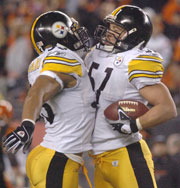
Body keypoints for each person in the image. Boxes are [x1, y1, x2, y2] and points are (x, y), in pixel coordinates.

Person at [84, 5, 177, 188]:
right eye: (110, 27)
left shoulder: (134, 61)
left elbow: (167, 108)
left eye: (117, 30)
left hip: (124, 152)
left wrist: (135, 125)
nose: (110, 33)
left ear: (134, 35)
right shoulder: (95, 53)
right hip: (97, 156)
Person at [3, 11, 96, 188]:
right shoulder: (63, 56)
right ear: (58, 32)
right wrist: (27, 125)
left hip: (49, 155)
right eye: (71, 28)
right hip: (59, 158)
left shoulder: (37, 63)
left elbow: (37, 95)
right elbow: (38, 90)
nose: (76, 33)